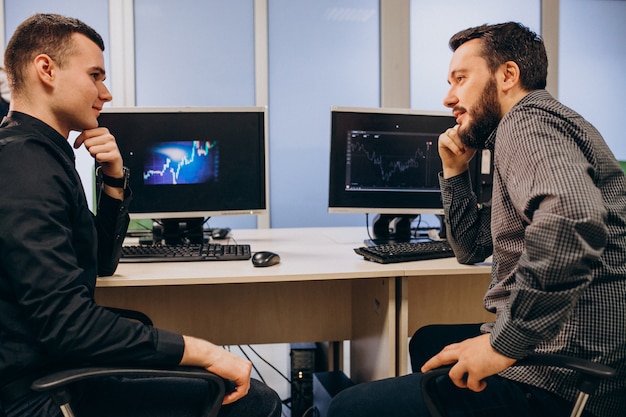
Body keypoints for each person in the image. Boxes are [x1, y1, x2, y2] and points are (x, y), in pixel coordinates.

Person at [327, 21, 626, 417]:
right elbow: (470, 248)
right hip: (572, 345)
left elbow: (572, 217)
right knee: (428, 341)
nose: (449, 97)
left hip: (566, 376)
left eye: (460, 79)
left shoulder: (527, 121)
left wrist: (503, 344)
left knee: (349, 408)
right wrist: (454, 172)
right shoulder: (531, 129)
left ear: (508, 75)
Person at [0, 13, 281, 417]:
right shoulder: (23, 169)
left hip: (57, 366)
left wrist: (113, 180)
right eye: (95, 76)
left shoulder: (41, 155)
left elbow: (100, 263)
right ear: (46, 69)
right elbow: (69, 326)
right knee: (256, 401)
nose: (106, 92)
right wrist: (205, 351)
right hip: (38, 395)